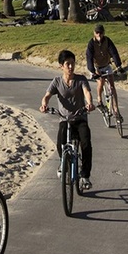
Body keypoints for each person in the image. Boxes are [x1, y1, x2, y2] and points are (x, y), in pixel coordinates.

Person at [40, 49, 95, 190]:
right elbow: (47, 95)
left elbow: (87, 92)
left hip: (80, 118)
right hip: (64, 119)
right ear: (61, 66)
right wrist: (44, 104)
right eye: (67, 64)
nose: (71, 67)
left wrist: (89, 103)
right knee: (60, 142)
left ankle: (85, 175)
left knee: (86, 143)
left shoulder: (81, 79)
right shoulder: (57, 82)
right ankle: (63, 162)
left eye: (72, 63)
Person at [85, 23, 123, 121]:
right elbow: (89, 57)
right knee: (100, 82)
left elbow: (114, 52)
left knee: (112, 86)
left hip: (106, 65)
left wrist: (118, 65)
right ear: (94, 33)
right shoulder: (91, 44)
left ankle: (116, 111)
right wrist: (92, 71)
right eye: (97, 33)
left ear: (103, 33)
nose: (99, 35)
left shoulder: (107, 41)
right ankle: (99, 101)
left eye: (101, 33)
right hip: (96, 67)